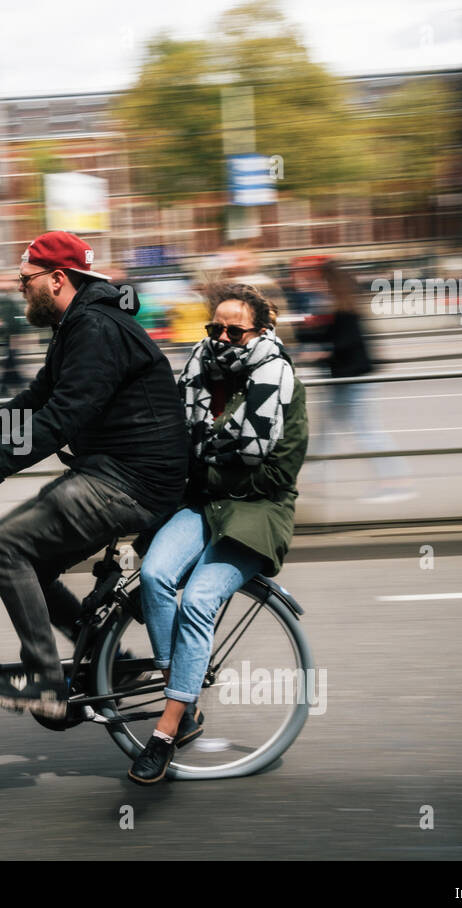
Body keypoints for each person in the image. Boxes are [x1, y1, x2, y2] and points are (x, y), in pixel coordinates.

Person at [0, 231, 188, 719]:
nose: (18, 288)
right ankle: (110, 664)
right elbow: (37, 400)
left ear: (56, 279)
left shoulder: (95, 328)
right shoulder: (78, 325)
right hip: (117, 472)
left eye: (24, 279)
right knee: (34, 563)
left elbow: (61, 419)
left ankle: (48, 686)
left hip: (132, 481)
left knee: (5, 547)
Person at [129, 282, 309, 784]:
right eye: (216, 328)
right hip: (204, 503)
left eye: (235, 329)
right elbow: (174, 441)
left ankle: (165, 734)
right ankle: (178, 689)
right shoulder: (197, 370)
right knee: (154, 575)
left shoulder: (280, 380)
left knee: (199, 601)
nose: (223, 337)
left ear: (261, 330)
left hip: (257, 512)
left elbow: (277, 472)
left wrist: (206, 462)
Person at [295, 258, 415, 503]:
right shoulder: (338, 304)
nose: (312, 284)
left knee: (366, 431)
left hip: (353, 377)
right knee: (328, 431)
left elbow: (346, 342)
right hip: (343, 376)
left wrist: (322, 352)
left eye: (316, 279)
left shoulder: (344, 307)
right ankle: (315, 482)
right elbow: (327, 335)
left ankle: (396, 482)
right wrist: (308, 334)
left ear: (328, 280)